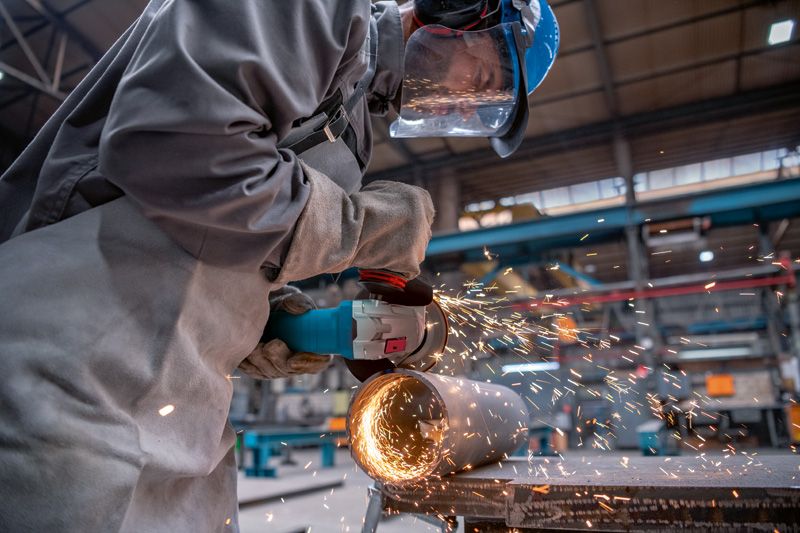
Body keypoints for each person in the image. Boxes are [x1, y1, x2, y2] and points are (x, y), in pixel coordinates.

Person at [0, 0, 557, 531]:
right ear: (455, 10)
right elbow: (175, 148)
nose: (465, 106)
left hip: (176, 418)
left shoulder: (354, 119)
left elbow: (205, 232)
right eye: (482, 80)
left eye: (481, 108)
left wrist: (256, 318)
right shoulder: (319, 10)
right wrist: (362, 229)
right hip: (67, 373)